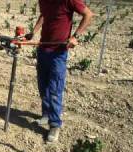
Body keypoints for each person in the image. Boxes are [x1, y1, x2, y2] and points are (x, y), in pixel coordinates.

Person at [25, 0, 93, 142]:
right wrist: (34, 31)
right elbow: (44, 14)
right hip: (43, 49)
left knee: (55, 88)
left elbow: (88, 14)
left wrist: (75, 37)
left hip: (58, 52)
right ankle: (46, 115)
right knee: (42, 86)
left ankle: (55, 124)